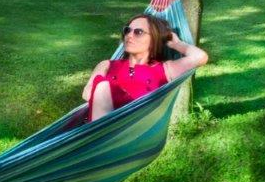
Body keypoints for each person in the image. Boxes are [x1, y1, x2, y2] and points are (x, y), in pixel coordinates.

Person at [81, 14, 209, 123]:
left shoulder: (164, 69)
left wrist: (178, 44)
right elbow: (87, 93)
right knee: (103, 86)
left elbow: (200, 57)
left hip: (136, 128)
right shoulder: (107, 65)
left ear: (154, 39)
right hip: (99, 128)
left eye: (138, 32)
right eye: (127, 30)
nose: (130, 36)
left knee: (103, 85)